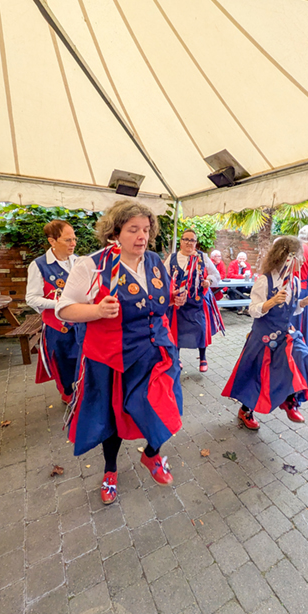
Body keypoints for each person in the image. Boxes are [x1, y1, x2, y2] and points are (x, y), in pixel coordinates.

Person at [57, 200, 184, 504]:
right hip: (114, 358)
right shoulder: (93, 265)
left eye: (146, 229)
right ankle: (110, 471)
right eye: (133, 229)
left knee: (163, 406)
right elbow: (64, 309)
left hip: (156, 352)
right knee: (112, 418)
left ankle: (152, 454)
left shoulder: (154, 260)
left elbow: (157, 301)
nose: (142, 236)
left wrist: (172, 298)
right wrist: (96, 310)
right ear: (116, 232)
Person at [222, 236, 308, 430]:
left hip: (285, 334)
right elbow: (253, 310)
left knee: (302, 356)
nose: (303, 261)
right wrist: (271, 301)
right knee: (258, 375)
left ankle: (290, 400)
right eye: (300, 257)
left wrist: (304, 302)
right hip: (264, 337)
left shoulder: (294, 281)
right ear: (287, 257)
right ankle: (245, 410)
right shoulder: (265, 280)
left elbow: (291, 309)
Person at [26, 220, 78, 404]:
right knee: (63, 364)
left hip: (81, 324)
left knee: (82, 363)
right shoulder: (38, 265)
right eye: (68, 240)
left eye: (74, 239)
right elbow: (31, 298)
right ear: (52, 241)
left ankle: (82, 396)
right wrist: (59, 303)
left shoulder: (78, 262)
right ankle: (69, 397)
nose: (73, 243)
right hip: (58, 327)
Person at [165, 229, 223, 373]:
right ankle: (177, 357)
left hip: (198, 301)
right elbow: (163, 279)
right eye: (186, 239)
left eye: (193, 240)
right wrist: (170, 292)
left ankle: (203, 357)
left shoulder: (202, 257)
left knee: (200, 329)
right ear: (181, 241)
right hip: (178, 302)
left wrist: (209, 281)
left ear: (196, 243)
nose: (189, 243)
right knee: (176, 329)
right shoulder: (172, 258)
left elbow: (216, 275)